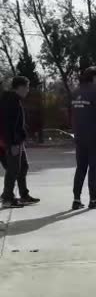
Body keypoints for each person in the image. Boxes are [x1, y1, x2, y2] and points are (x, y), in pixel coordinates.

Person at [71, 67, 96, 210]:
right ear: (94, 78)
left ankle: (76, 199)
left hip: (79, 135)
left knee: (81, 167)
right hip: (93, 135)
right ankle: (93, 199)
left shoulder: (75, 92)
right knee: (94, 168)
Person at [0, 76, 40, 208]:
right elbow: (8, 125)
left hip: (17, 140)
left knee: (23, 167)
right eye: (27, 87)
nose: (28, 90)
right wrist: (13, 144)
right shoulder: (10, 101)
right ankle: (7, 198)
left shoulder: (14, 100)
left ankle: (24, 195)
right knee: (13, 169)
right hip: (12, 141)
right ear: (20, 87)